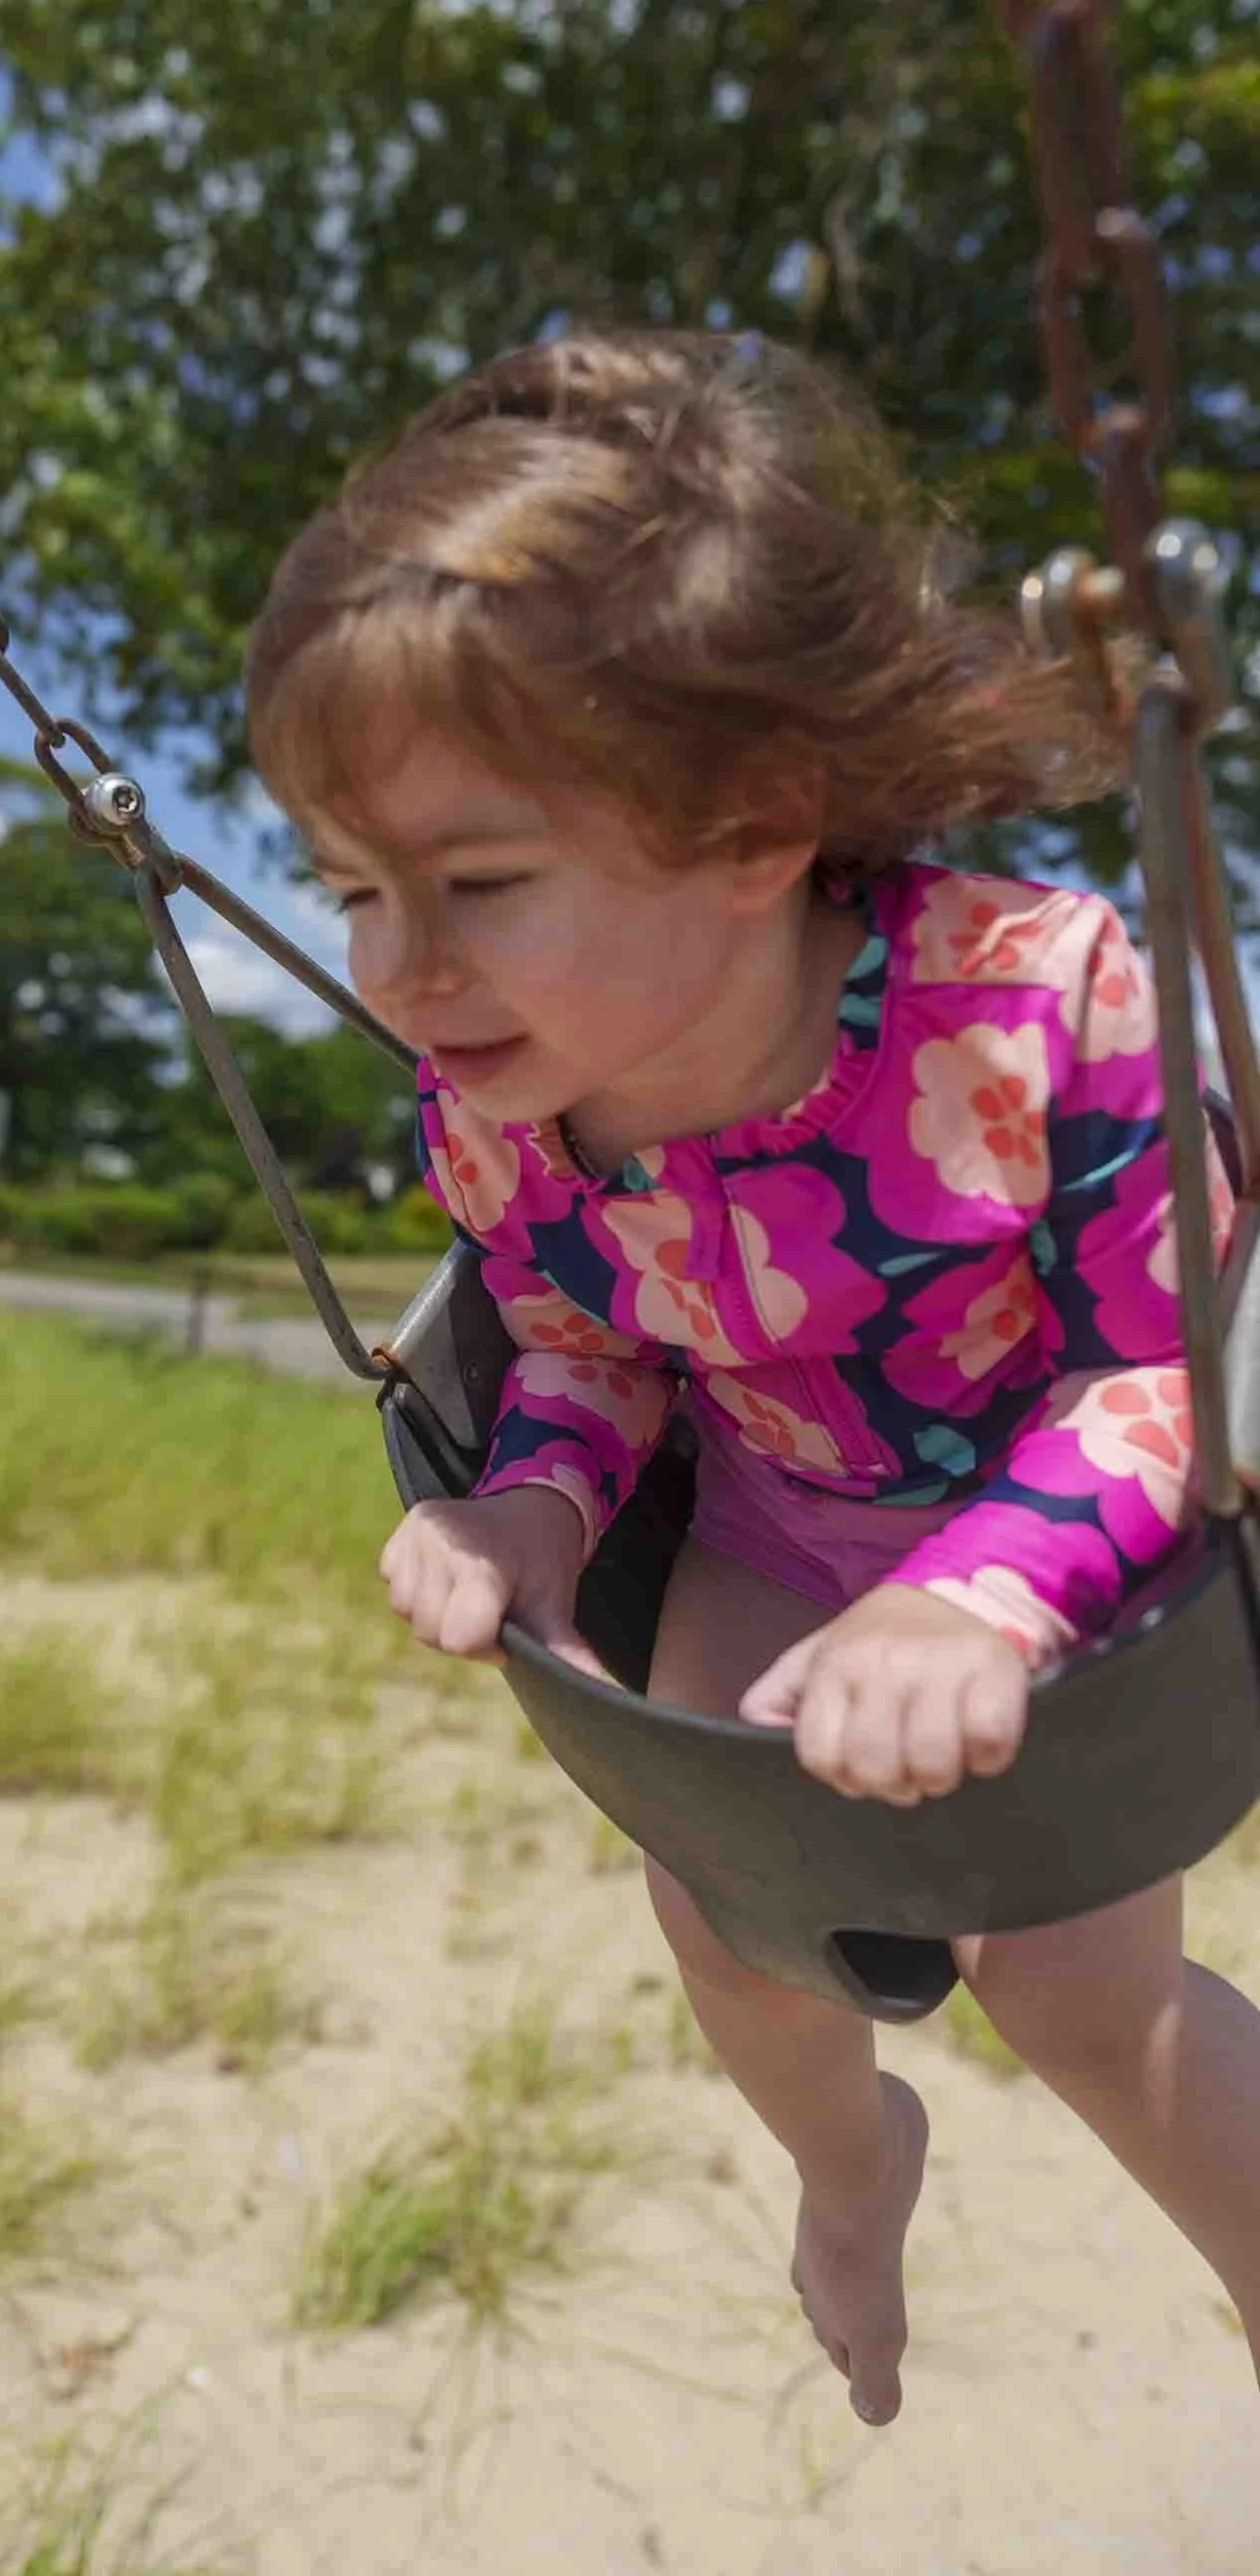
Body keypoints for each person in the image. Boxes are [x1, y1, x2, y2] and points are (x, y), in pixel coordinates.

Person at [245, 327, 1260, 2427]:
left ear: (752, 826)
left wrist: (979, 1595)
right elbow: (590, 1339)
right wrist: (533, 1500)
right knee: (733, 1929)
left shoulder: (1043, 1012)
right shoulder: (505, 1106)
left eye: (476, 882)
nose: (399, 970)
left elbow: (1171, 1371)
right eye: (351, 892)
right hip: (779, 1536)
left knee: (1079, 1998)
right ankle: (844, 2167)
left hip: (1081, 1554)